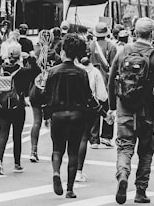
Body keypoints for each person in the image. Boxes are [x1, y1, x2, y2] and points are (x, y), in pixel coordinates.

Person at [43, 33, 110, 199]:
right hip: (77, 115)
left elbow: (46, 97)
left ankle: (56, 172)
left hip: (58, 114)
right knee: (73, 152)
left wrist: (46, 116)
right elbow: (89, 97)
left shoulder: (53, 72)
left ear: (64, 51)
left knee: (57, 149)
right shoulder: (81, 73)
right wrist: (103, 113)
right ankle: (70, 189)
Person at [108, 17, 154, 204]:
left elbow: (111, 79)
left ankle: (123, 174)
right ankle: (140, 192)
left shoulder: (123, 52)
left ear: (135, 33)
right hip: (145, 112)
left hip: (125, 110)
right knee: (146, 151)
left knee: (124, 147)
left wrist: (112, 107)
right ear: (152, 34)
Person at [0, 43, 40, 175]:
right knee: (16, 136)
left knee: (3, 135)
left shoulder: (0, 69)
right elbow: (36, 71)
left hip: (2, 107)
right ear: (19, 56)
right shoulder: (23, 72)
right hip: (17, 107)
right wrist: (30, 58)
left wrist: (0, 59)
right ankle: (17, 163)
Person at [75, 47, 109, 182]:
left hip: (71, 108)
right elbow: (102, 96)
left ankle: (60, 171)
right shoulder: (95, 72)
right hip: (88, 109)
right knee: (83, 138)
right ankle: (78, 171)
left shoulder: (74, 71)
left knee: (70, 141)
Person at [29, 29, 61, 163]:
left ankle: (33, 151)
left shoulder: (35, 55)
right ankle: (55, 152)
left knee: (37, 121)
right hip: (51, 92)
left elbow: (30, 74)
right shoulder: (57, 57)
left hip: (36, 90)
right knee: (54, 123)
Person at [89, 22, 117, 148]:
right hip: (106, 80)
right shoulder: (111, 46)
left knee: (94, 107)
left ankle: (94, 138)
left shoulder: (90, 46)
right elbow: (114, 67)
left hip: (92, 79)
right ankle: (106, 136)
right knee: (108, 107)